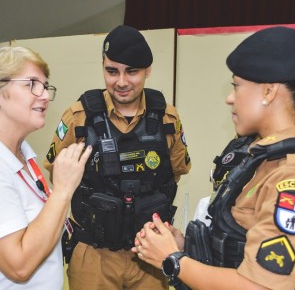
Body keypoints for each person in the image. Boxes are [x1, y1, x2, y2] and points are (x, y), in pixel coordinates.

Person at [132, 26, 295, 290]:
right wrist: (185, 247)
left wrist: (173, 260)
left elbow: (262, 286)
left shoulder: (291, 172)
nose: (229, 98)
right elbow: (240, 247)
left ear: (269, 91)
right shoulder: (259, 155)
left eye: (237, 85)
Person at [43, 25, 191, 289]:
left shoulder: (167, 117)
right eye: (112, 71)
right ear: (103, 67)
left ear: (148, 70)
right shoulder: (78, 118)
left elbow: (176, 171)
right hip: (94, 256)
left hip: (150, 254)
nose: (121, 82)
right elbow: (57, 175)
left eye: (131, 71)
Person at [0, 46, 92, 289]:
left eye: (45, 85)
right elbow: (18, 266)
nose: (43, 95)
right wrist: (63, 190)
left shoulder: (25, 157)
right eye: (31, 84)